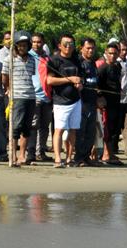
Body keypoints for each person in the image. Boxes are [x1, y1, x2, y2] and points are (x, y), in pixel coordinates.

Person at [47, 34, 83, 167]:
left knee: (73, 129)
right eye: (66, 44)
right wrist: (69, 79)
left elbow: (81, 78)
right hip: (60, 101)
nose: (68, 47)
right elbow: (50, 80)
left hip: (76, 100)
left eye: (71, 44)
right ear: (59, 45)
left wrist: (80, 84)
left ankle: (69, 157)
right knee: (59, 129)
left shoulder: (77, 60)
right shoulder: (54, 60)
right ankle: (57, 158)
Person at [1, 31, 36, 165]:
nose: (23, 48)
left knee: (27, 128)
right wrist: (8, 88)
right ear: (16, 46)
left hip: (31, 96)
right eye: (20, 45)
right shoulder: (9, 59)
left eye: (25, 45)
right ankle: (13, 155)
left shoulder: (32, 59)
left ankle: (23, 155)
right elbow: (4, 77)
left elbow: (30, 75)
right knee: (15, 127)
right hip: (17, 96)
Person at [73, 38, 100, 166]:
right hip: (81, 102)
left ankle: (86, 156)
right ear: (81, 48)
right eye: (88, 48)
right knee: (80, 132)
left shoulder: (93, 63)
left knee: (91, 132)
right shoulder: (78, 62)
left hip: (92, 102)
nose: (90, 50)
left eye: (92, 48)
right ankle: (78, 158)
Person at [96, 41, 124, 165]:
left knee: (114, 130)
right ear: (106, 53)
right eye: (110, 53)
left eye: (115, 53)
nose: (112, 56)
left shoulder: (118, 66)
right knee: (106, 130)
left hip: (117, 102)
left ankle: (110, 153)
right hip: (106, 104)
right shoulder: (102, 68)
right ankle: (106, 155)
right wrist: (100, 97)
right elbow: (96, 86)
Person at [27, 33, 51, 162]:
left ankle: (41, 151)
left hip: (46, 96)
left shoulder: (47, 58)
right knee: (33, 126)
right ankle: (31, 152)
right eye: (34, 42)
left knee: (44, 126)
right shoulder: (28, 56)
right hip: (33, 95)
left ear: (43, 43)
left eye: (39, 42)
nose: (36, 44)